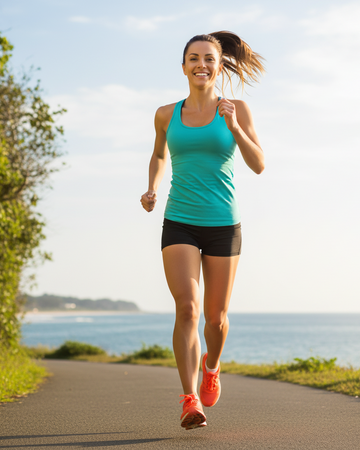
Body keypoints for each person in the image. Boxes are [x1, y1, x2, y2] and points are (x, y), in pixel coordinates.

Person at [140, 31, 265, 430]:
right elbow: (159, 153)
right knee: (188, 308)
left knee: (216, 317)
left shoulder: (238, 109)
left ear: (219, 65)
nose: (201, 64)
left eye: (209, 58)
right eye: (194, 58)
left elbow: (259, 163)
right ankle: (189, 398)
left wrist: (234, 124)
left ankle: (212, 367)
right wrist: (153, 187)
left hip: (224, 224)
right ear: (183, 66)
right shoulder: (165, 114)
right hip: (179, 220)